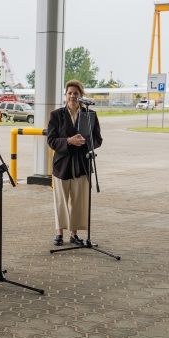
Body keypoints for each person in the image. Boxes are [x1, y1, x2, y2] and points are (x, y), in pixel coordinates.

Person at [46, 79, 102, 247]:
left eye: (75, 93)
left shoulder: (90, 115)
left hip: (81, 164)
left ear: (81, 96)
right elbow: (51, 140)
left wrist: (85, 142)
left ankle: (74, 234)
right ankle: (59, 233)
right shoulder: (56, 115)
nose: (72, 96)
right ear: (65, 95)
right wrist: (69, 141)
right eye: (69, 93)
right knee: (61, 200)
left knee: (78, 201)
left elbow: (98, 139)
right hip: (62, 164)